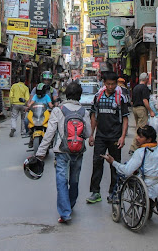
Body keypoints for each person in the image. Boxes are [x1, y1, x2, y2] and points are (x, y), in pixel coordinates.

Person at [36, 82, 92, 224]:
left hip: (61, 151)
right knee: (74, 180)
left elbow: (49, 133)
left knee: (61, 181)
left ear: (66, 93)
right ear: (80, 95)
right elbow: (88, 133)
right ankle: (70, 205)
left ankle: (65, 213)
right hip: (78, 151)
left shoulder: (58, 110)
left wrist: (40, 152)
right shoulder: (84, 111)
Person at [86, 71, 129, 204]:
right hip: (100, 136)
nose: (110, 87)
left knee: (115, 165)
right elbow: (93, 116)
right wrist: (91, 135)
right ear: (104, 83)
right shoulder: (98, 96)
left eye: (113, 84)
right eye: (108, 84)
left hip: (115, 136)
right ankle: (95, 192)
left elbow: (125, 118)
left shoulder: (121, 98)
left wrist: (122, 137)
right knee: (97, 163)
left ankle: (114, 192)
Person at [102, 125, 158, 199]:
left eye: (140, 137)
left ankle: (115, 197)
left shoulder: (140, 152)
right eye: (137, 135)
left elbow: (127, 171)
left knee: (123, 176)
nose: (137, 138)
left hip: (145, 185)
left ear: (148, 140)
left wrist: (113, 162)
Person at [130, 72, 155, 154]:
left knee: (138, 126)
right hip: (141, 109)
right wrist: (150, 111)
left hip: (135, 108)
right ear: (146, 79)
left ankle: (137, 145)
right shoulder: (144, 88)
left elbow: (132, 100)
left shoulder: (135, 87)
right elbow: (145, 100)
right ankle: (134, 147)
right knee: (140, 129)